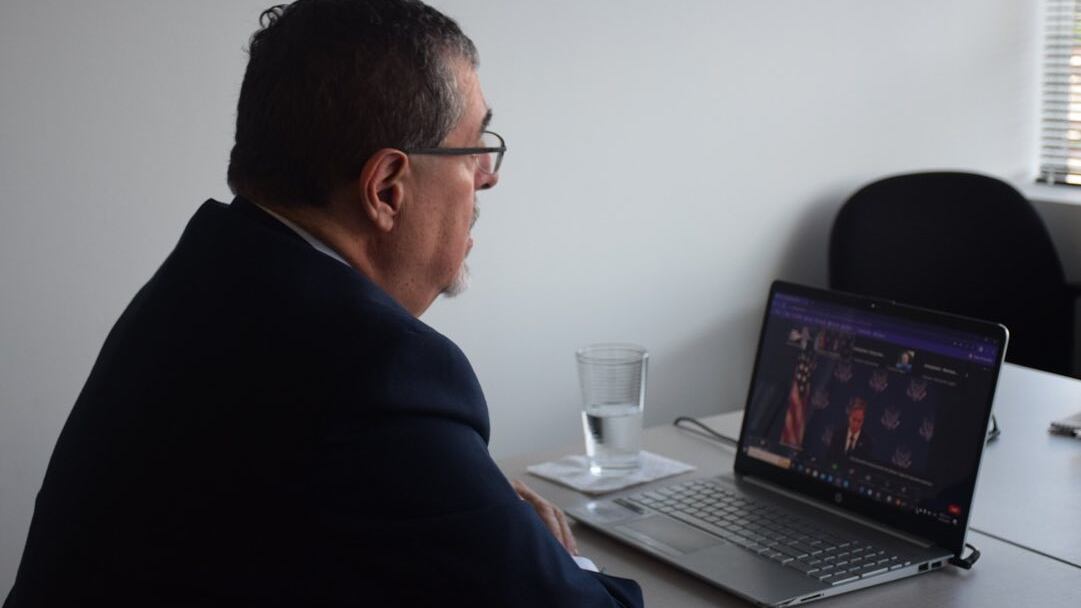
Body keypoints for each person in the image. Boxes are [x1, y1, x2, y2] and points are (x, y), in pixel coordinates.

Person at [3, 1, 642, 606]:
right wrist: (558, 556)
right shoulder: (375, 373)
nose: (488, 175)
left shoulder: (207, 277)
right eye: (473, 146)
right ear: (387, 189)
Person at [828, 397, 874, 461]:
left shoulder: (867, 442)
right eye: (854, 419)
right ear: (849, 416)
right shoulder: (838, 435)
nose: (855, 424)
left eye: (859, 421)